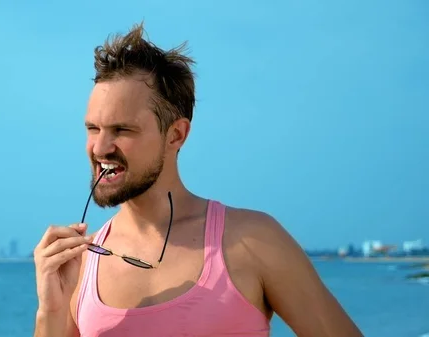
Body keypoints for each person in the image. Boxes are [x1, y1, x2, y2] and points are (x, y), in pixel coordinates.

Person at [33, 23, 363, 337]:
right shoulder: (80, 264)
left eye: (122, 130)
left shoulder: (253, 241)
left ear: (176, 135)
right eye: (93, 129)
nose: (101, 147)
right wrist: (50, 310)